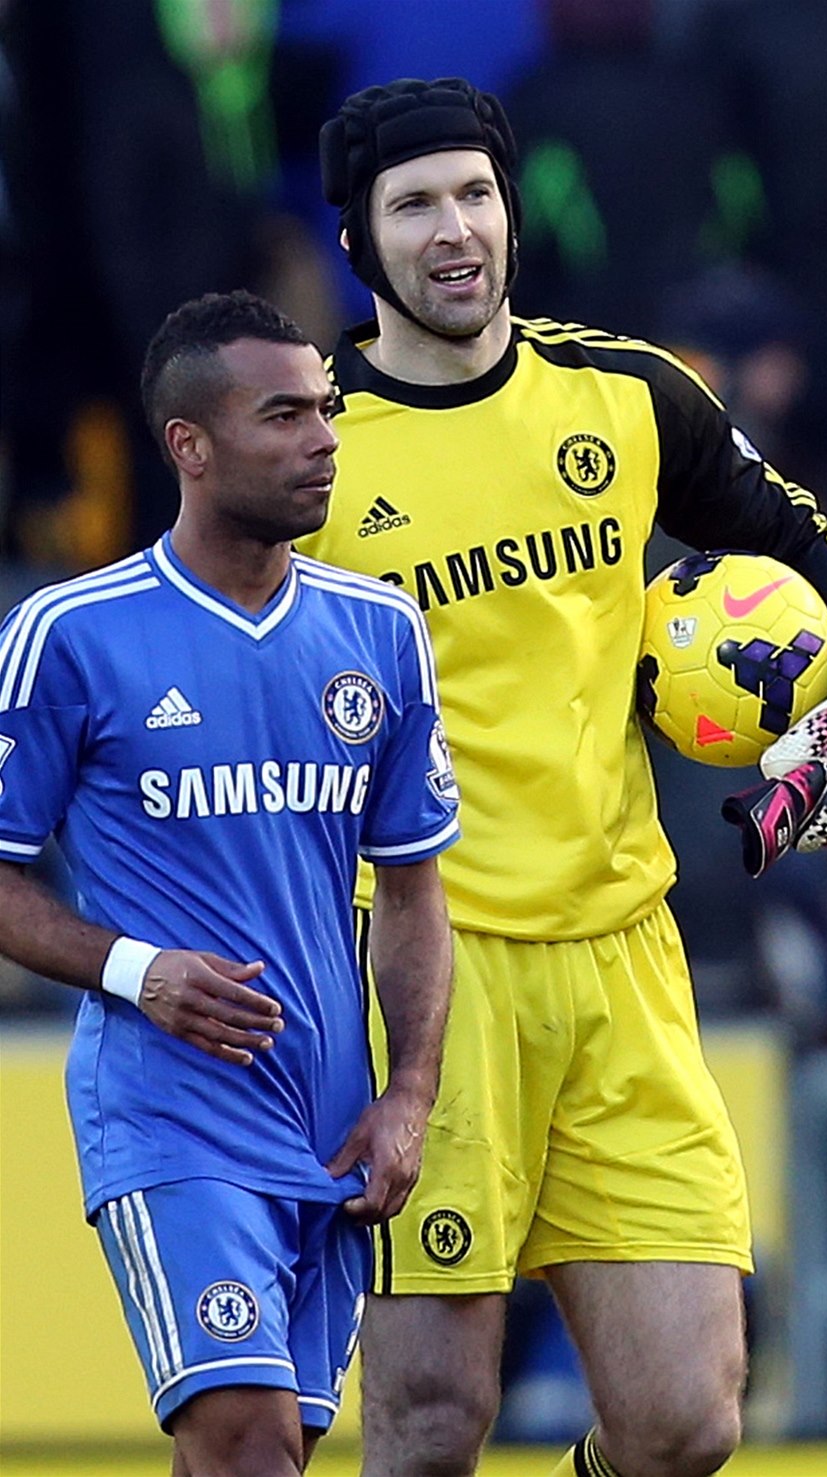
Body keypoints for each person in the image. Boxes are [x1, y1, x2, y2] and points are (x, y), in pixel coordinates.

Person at [301, 78, 827, 1477]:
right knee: (429, 1424)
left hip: (621, 956)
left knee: (685, 1421)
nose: (455, 230)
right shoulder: (311, 441)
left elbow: (798, 536)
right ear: (357, 242)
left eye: (475, 195)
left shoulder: (627, 394)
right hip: (422, 967)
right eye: (414, 204)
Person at [0, 290, 457, 1474]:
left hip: (331, 1123)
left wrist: (408, 1093)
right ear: (189, 446)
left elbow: (413, 894)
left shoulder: (382, 633)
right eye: (284, 416)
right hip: (171, 1113)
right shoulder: (72, 633)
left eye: (326, 410)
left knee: (261, 1454)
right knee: (249, 1441)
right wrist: (137, 970)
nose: (325, 440)